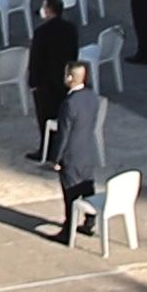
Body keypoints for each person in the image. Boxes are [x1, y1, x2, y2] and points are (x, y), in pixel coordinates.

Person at [46, 60, 107, 240]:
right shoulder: (92, 97)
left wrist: (56, 159)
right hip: (86, 151)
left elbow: (63, 134)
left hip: (71, 155)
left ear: (70, 77)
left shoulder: (69, 103)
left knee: (70, 193)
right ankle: (89, 222)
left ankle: (68, 230)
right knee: (88, 186)